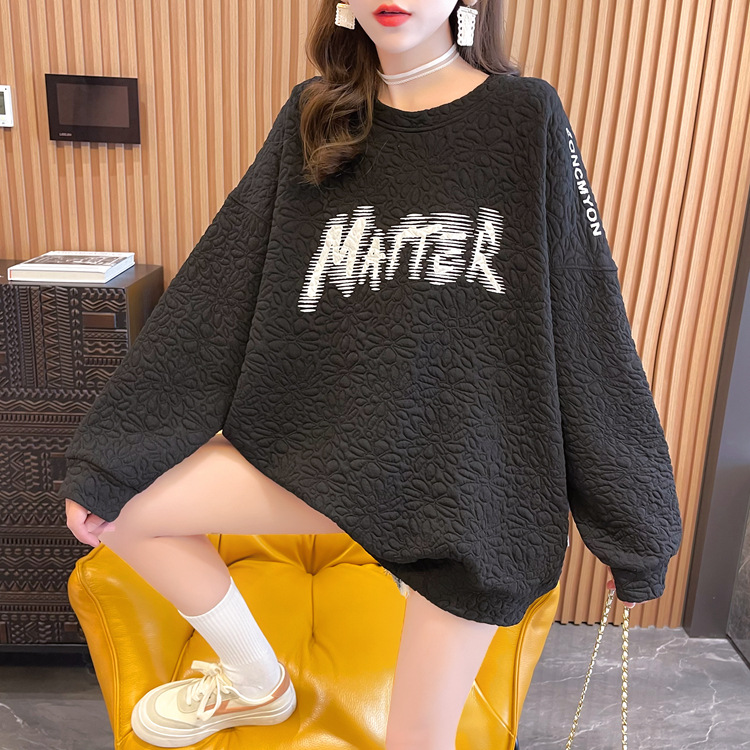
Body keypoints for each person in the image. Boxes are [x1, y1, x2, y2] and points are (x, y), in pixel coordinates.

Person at [62, 1, 683, 748]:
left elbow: (584, 308)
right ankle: (258, 683)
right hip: (329, 458)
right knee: (120, 512)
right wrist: (108, 461)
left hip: (464, 487)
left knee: (415, 740)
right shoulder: (315, 116)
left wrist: (632, 521)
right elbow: (219, 287)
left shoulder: (525, 116)